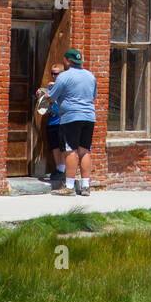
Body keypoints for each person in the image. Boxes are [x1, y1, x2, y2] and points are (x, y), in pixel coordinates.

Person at [47, 48, 96, 196]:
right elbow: (93, 96)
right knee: (84, 151)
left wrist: (48, 92)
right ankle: (86, 186)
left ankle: (69, 186)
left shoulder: (64, 76)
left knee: (70, 151)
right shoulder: (90, 75)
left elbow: (52, 98)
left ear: (68, 61)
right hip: (89, 117)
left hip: (71, 118)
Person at [44, 64, 68, 190]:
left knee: (62, 146)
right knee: (54, 146)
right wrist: (41, 93)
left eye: (56, 73)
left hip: (62, 120)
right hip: (52, 120)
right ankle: (59, 169)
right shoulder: (50, 86)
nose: (54, 76)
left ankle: (64, 170)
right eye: (52, 73)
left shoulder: (65, 85)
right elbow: (47, 99)